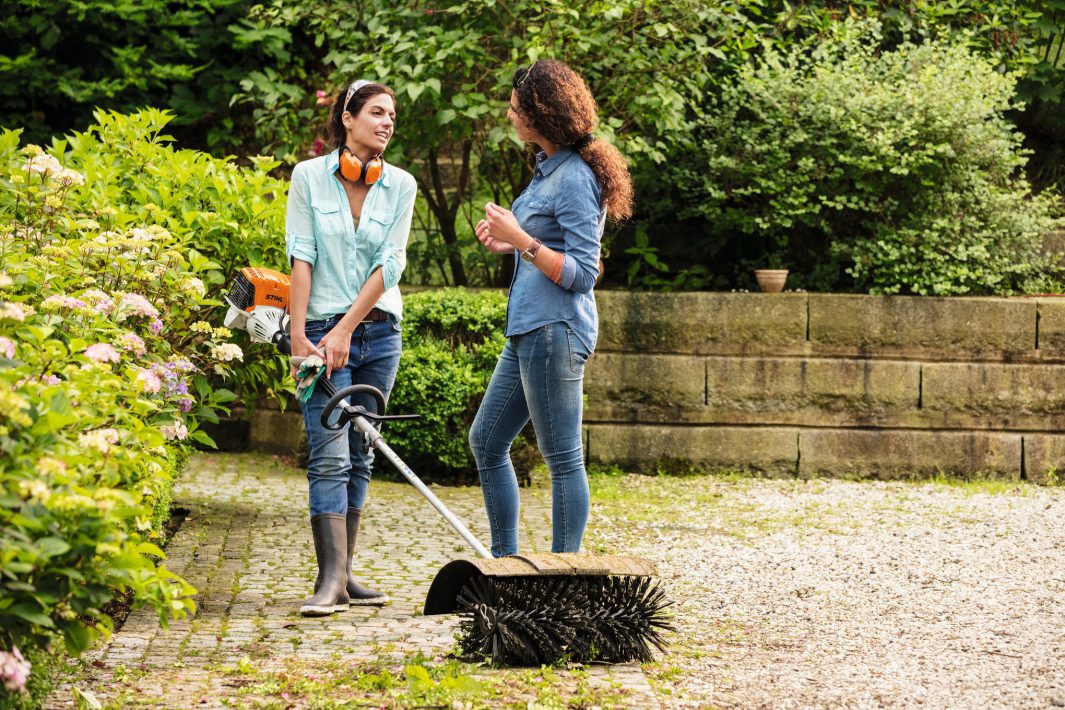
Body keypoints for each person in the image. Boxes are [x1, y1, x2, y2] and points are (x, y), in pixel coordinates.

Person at [470, 59, 633, 557]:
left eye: (517, 108)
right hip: (527, 330)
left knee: (562, 458)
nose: (511, 114)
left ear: (541, 114)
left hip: (556, 329)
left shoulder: (576, 178)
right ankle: (506, 566)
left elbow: (585, 273)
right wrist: (510, 243)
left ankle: (567, 574)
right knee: (486, 441)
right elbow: (545, 245)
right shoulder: (548, 170)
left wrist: (520, 237)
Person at [285, 79, 417, 616]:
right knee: (328, 455)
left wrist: (348, 330)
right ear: (347, 117)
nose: (387, 123)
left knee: (361, 452)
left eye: (392, 116)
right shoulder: (307, 178)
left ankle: (345, 575)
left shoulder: (401, 185)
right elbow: (302, 256)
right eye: (377, 113)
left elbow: (392, 264)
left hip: (380, 332)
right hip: (318, 333)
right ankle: (329, 578)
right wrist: (302, 339)